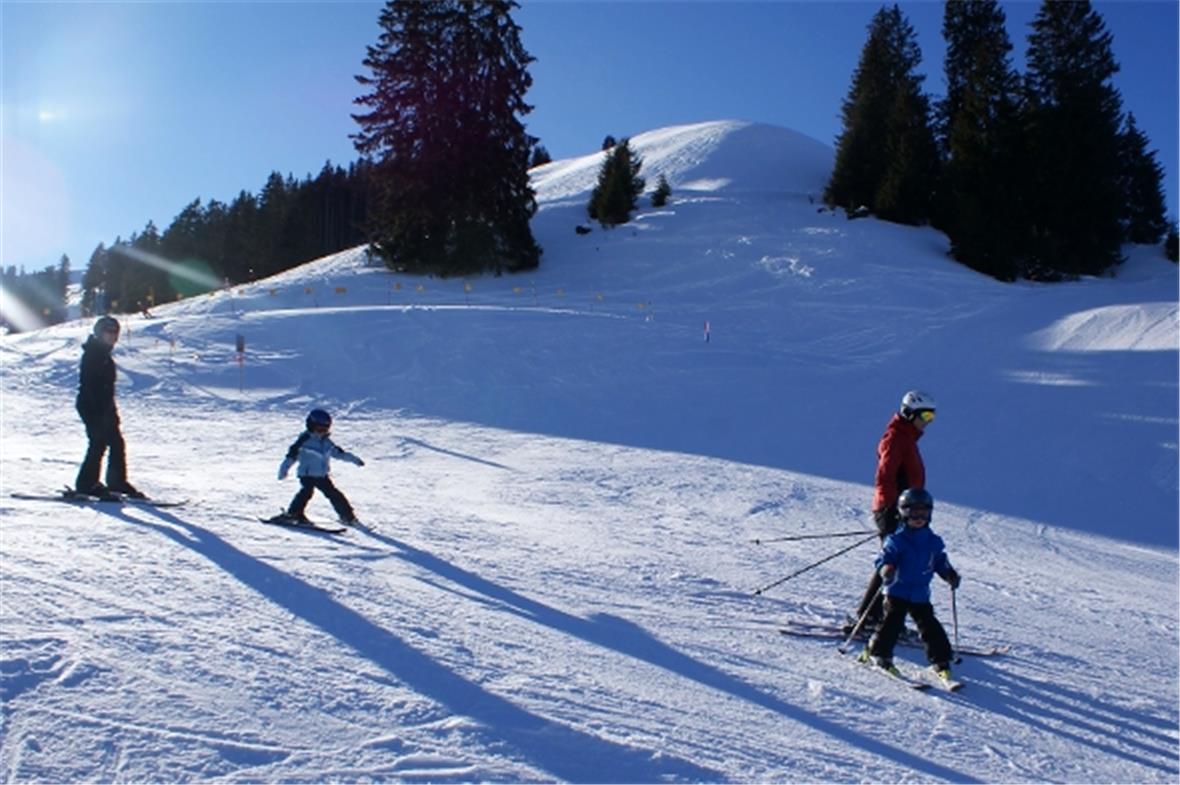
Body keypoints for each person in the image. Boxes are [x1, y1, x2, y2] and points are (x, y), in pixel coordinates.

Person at [846, 390, 937, 633]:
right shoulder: (896, 437)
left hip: (906, 510)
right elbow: (885, 476)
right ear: (909, 414)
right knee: (892, 562)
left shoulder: (906, 438)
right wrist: (893, 508)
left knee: (901, 563)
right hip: (894, 510)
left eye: (932, 416)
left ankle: (884, 619)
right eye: (925, 415)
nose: (928, 421)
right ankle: (867, 619)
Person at [858, 488, 960, 680]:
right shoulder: (896, 540)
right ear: (903, 512)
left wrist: (949, 574)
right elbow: (882, 559)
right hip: (897, 590)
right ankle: (878, 653)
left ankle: (941, 661)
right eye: (913, 512)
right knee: (892, 624)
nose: (918, 517)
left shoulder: (933, 541)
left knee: (930, 626)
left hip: (921, 593)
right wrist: (886, 568)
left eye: (923, 513)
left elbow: (940, 561)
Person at [75, 316, 143, 498]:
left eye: (115, 333)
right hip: (91, 405)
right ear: (99, 333)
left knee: (116, 442)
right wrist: (100, 413)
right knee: (98, 442)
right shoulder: (94, 354)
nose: (112, 336)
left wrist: (111, 412)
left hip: (103, 407)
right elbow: (92, 386)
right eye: (108, 332)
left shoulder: (103, 353)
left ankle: (117, 482)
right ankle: (86, 484)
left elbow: (106, 389)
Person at [278, 408, 364, 523]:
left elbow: (339, 454)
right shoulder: (304, 441)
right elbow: (291, 456)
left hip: (322, 475)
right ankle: (293, 513)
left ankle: (348, 517)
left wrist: (355, 460)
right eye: (319, 428)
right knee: (306, 492)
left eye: (325, 429)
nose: (321, 432)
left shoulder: (326, 442)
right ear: (311, 425)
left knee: (334, 494)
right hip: (307, 474)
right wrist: (284, 470)